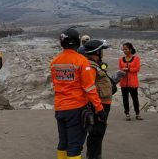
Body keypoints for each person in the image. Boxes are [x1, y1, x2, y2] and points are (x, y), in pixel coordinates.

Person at [50, 27, 106, 159]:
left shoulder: (54, 62)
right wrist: (99, 108)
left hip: (60, 108)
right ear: (77, 42)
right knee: (75, 146)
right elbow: (89, 88)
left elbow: (56, 84)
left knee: (63, 144)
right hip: (76, 109)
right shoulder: (82, 61)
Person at [83, 39, 113, 159]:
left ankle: (95, 155)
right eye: (101, 51)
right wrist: (99, 109)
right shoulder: (90, 67)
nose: (102, 53)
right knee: (96, 133)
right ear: (97, 52)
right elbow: (90, 89)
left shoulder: (95, 65)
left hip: (102, 103)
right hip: (98, 105)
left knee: (99, 133)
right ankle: (93, 156)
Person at [119, 42, 143, 121]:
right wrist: (121, 72)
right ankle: (127, 114)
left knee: (135, 99)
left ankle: (137, 113)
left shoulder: (136, 58)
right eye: (123, 49)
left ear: (130, 49)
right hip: (123, 83)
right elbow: (120, 69)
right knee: (125, 99)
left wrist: (128, 69)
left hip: (133, 83)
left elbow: (137, 69)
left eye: (126, 49)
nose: (124, 50)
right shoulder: (121, 59)